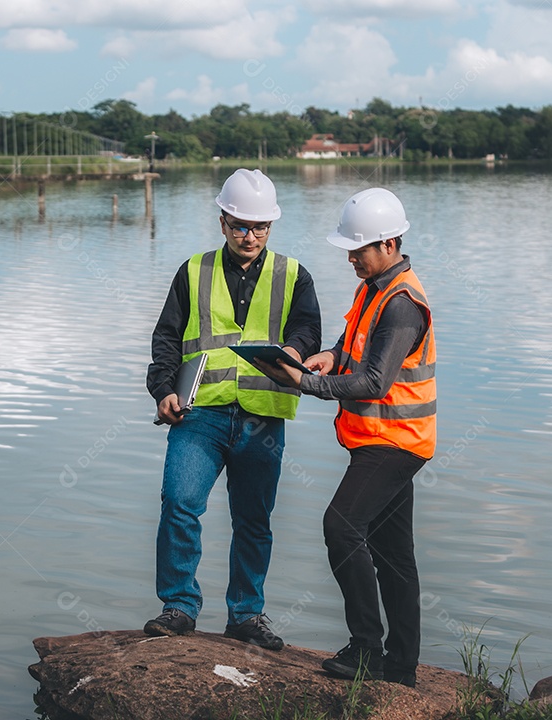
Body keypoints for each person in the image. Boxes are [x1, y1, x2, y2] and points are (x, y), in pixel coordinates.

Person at [253, 188, 436, 687]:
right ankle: (400, 667)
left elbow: (374, 382)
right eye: (349, 249)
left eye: (360, 249)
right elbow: (352, 347)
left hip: (393, 442)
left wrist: (303, 382)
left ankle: (366, 649)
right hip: (382, 439)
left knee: (341, 527)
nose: (351, 257)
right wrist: (330, 357)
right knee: (393, 553)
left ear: (391, 244)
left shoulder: (401, 304)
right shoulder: (375, 287)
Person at [145, 168, 322, 651]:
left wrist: (293, 349)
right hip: (198, 414)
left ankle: (246, 615)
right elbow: (166, 339)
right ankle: (179, 607)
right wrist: (163, 389)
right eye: (241, 224)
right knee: (180, 503)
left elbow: (309, 332)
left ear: (271, 227)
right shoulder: (192, 270)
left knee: (253, 520)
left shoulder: (293, 275)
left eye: (260, 226)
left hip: (262, 416)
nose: (250, 235)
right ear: (222, 220)